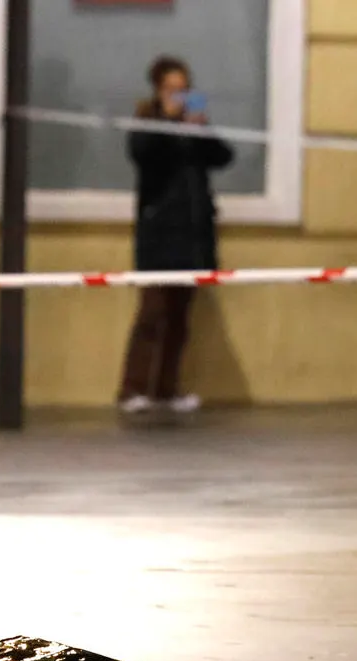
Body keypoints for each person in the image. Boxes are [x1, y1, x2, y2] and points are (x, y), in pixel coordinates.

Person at [119, 56, 235, 417]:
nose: (179, 95)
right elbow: (142, 153)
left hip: (191, 236)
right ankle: (132, 390)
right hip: (159, 235)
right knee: (152, 313)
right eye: (172, 89)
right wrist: (169, 121)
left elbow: (223, 157)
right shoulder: (147, 122)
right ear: (157, 90)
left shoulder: (192, 128)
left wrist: (200, 128)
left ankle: (166, 390)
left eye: (184, 89)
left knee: (180, 319)